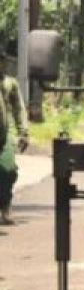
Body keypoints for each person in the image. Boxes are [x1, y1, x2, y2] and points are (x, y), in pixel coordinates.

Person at [0, 58, 29, 225]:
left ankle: (5, 207)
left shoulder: (9, 84)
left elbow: (19, 108)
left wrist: (23, 132)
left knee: (8, 171)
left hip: (3, 138)